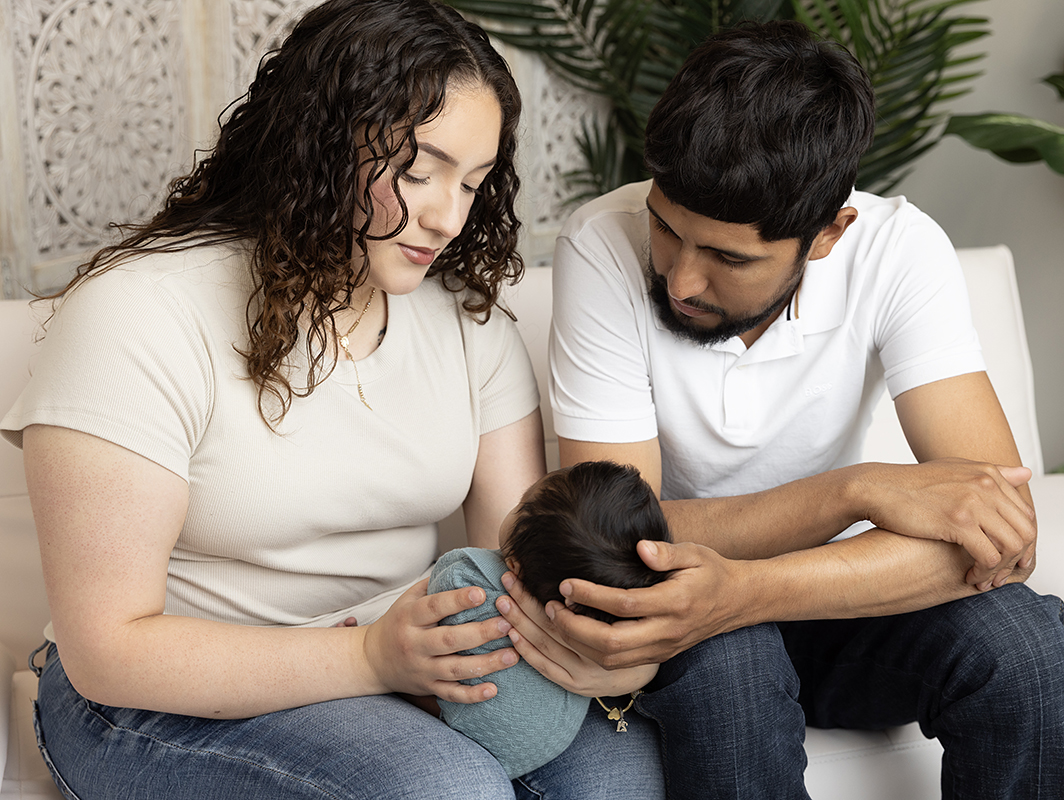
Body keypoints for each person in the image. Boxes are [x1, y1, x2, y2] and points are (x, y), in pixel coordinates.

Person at [0, 1, 663, 797]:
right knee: (443, 789)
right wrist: (369, 656)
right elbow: (109, 651)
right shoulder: (138, 314)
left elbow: (519, 561)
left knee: (621, 772)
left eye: (474, 183)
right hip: (153, 698)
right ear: (318, 143)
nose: (448, 217)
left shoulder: (463, 318)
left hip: (407, 659)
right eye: (418, 173)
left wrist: (599, 641)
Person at [493, 20, 1064, 800]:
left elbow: (1001, 534)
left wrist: (750, 587)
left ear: (829, 233)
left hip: (833, 605)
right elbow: (614, 535)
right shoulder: (601, 246)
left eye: (729, 258)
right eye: (668, 231)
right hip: (691, 623)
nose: (681, 281)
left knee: (1023, 647)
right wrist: (857, 490)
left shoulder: (900, 253)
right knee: (730, 663)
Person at [429, 460, 672, 779]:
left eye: (521, 504)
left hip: (478, 736)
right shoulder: (606, 616)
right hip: (552, 740)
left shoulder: (467, 574)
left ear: (514, 566)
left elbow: (425, 613)